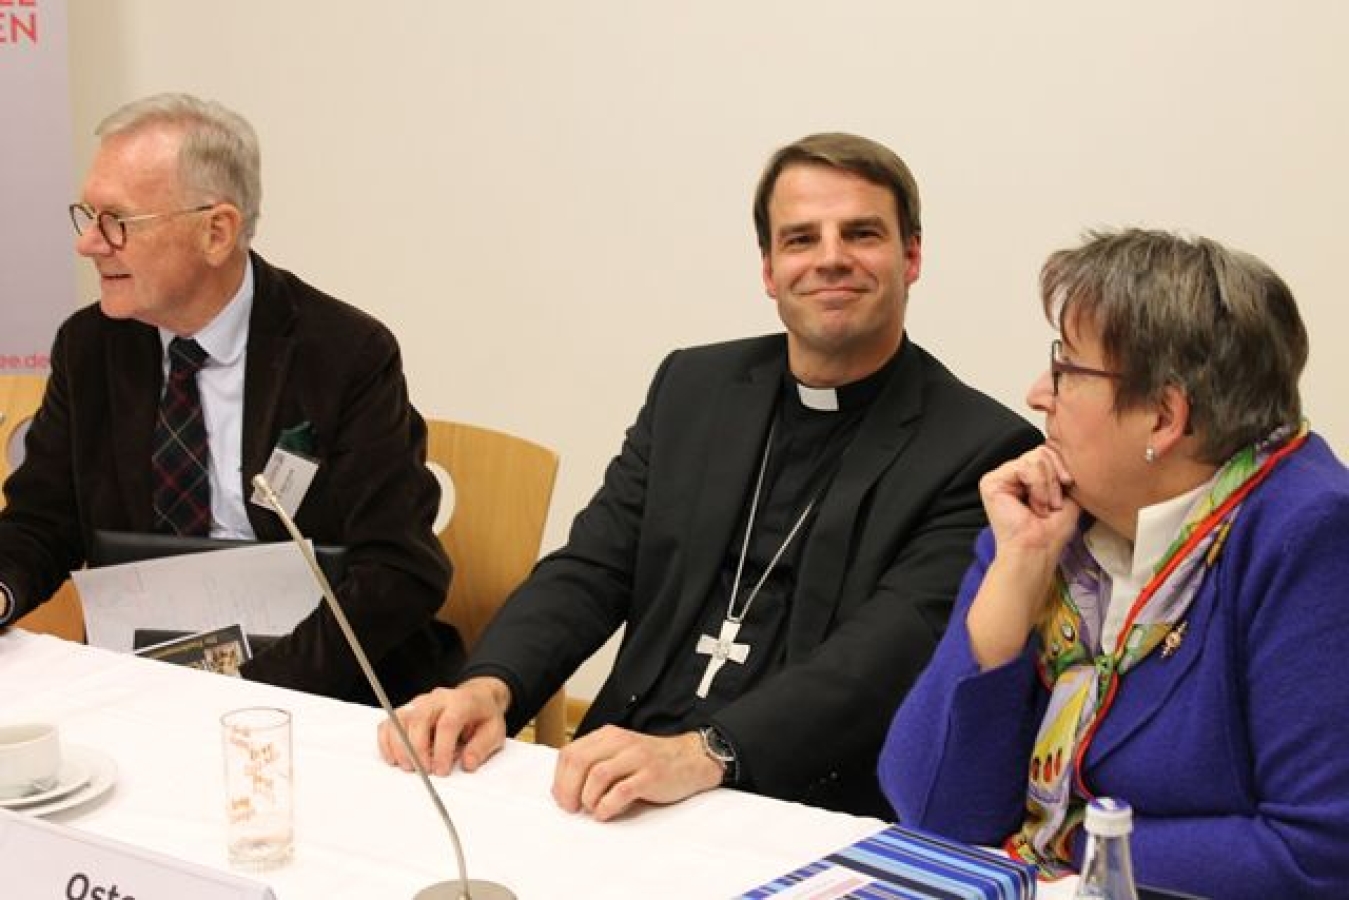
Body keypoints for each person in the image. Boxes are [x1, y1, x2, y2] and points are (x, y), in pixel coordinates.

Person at [380, 132, 1040, 820]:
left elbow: (878, 660)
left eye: (861, 233)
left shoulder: (979, 449)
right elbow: (593, 566)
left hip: (796, 800)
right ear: (769, 269)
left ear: (911, 257)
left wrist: (709, 751)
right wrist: (491, 684)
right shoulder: (694, 387)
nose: (830, 258)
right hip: (621, 764)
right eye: (800, 239)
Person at [879, 229, 1349, 898]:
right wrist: (1016, 569)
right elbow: (934, 813)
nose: (1036, 393)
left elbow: (1318, 856)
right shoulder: (1053, 516)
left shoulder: (1308, 536)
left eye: (1067, 369)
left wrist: (1075, 842)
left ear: (1163, 417)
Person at [0, 93, 459, 706]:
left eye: (117, 222)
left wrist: (246, 695)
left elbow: (398, 569)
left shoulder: (344, 353)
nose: (89, 244)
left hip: (313, 679)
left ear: (216, 231)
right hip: (141, 675)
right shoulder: (91, 346)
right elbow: (43, 520)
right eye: (87, 216)